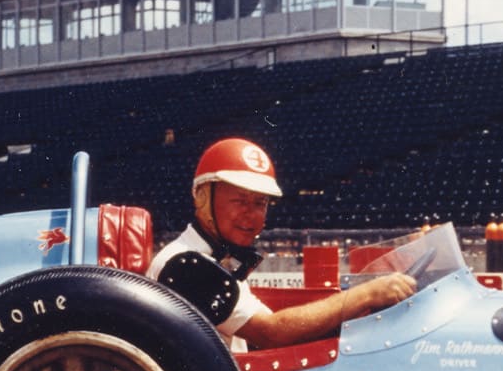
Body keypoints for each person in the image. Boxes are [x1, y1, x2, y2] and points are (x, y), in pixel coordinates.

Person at [148, 138, 415, 353]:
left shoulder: (216, 259)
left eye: (260, 203)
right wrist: (367, 294)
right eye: (240, 201)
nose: (251, 215)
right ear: (203, 198)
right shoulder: (186, 264)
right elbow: (271, 333)